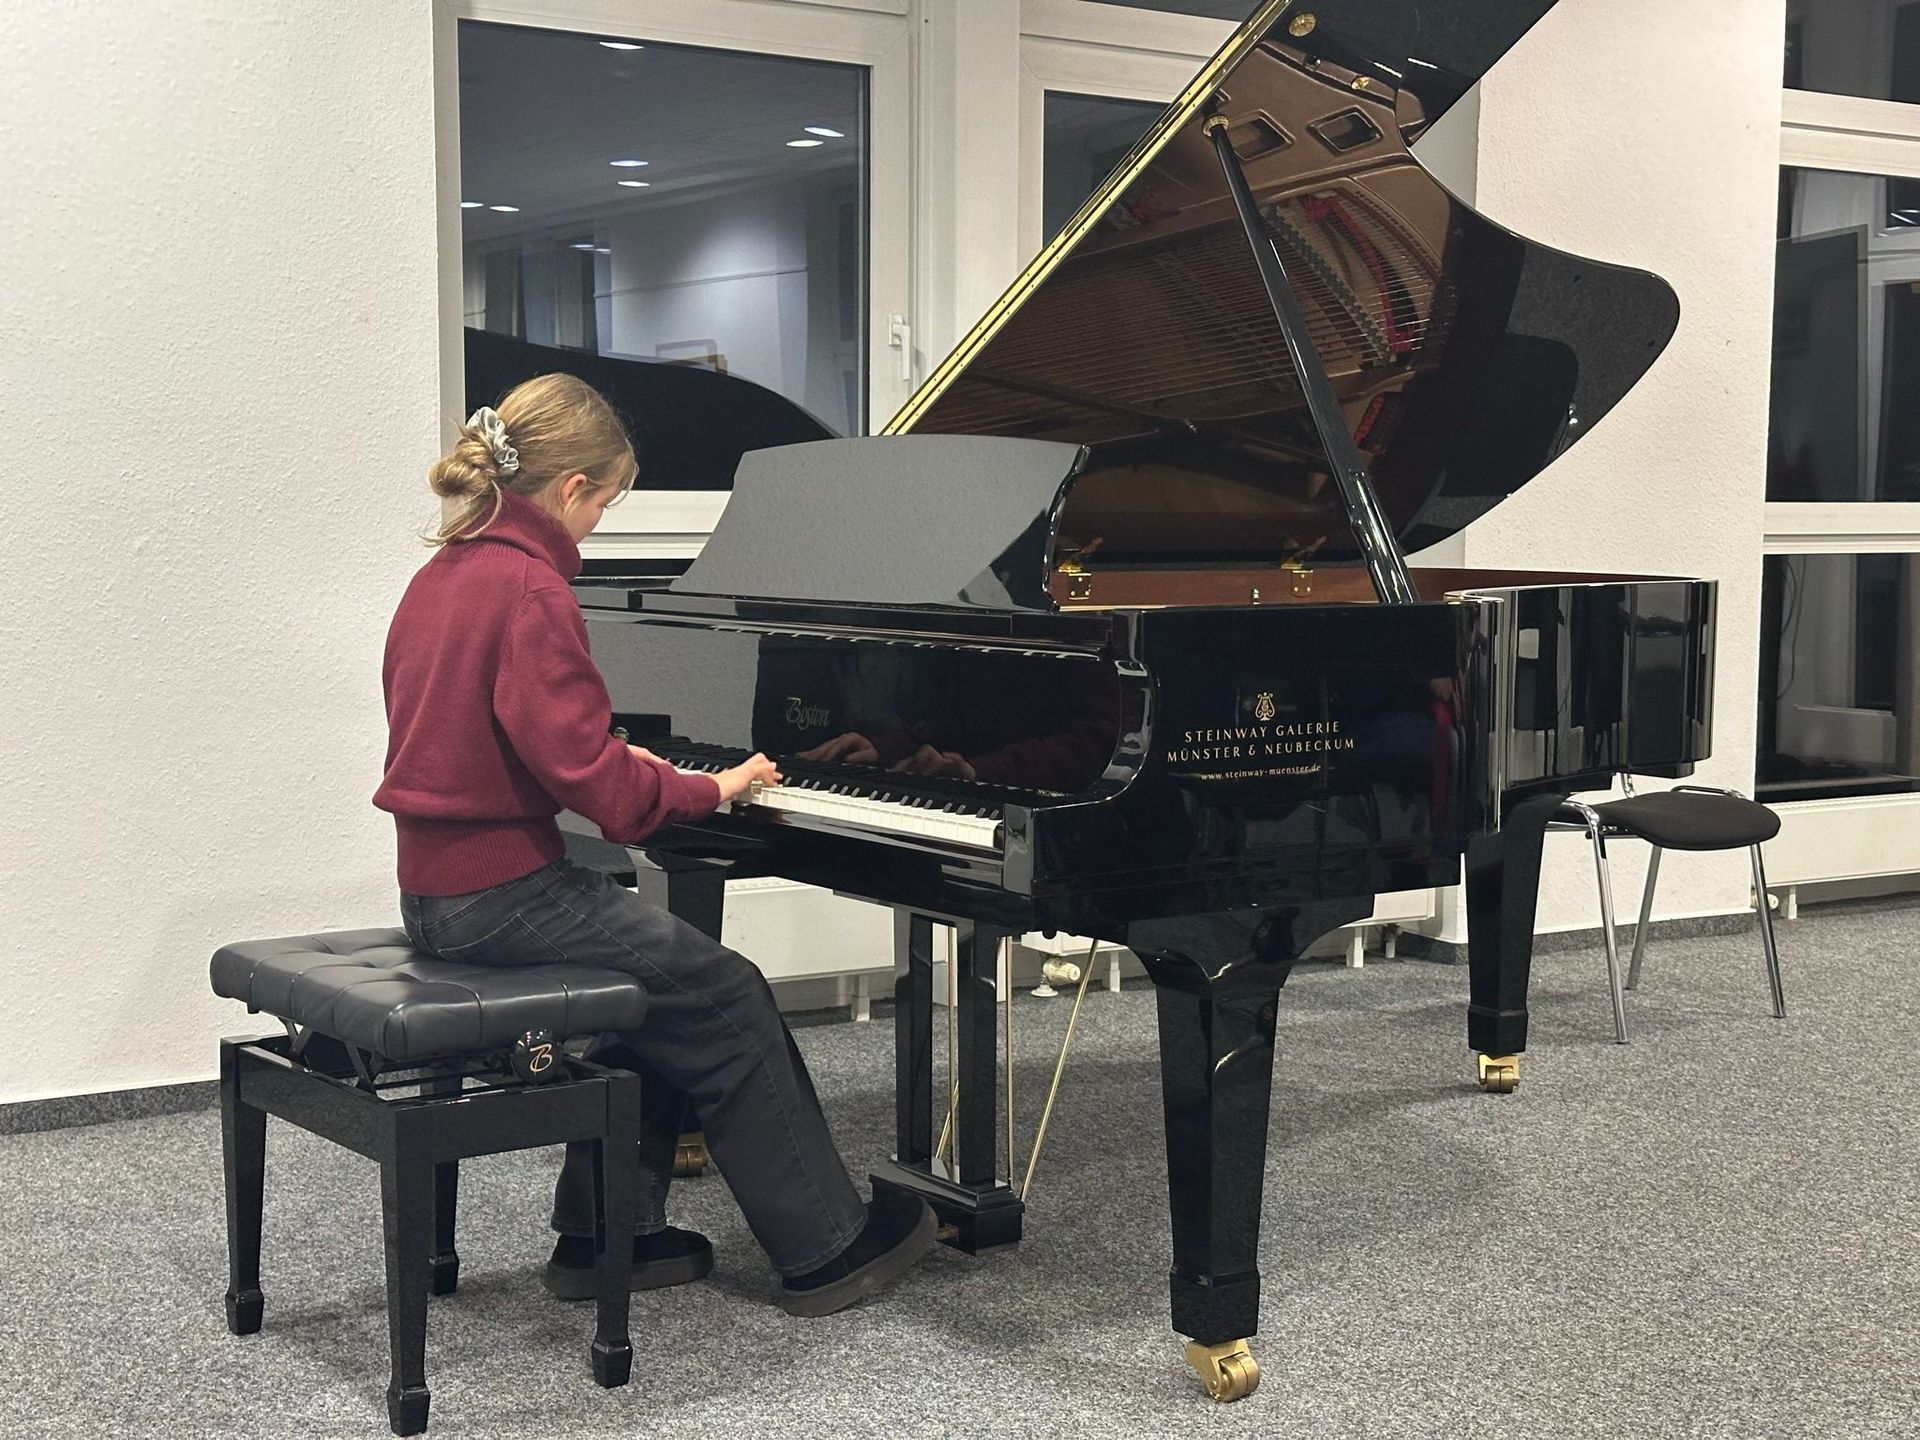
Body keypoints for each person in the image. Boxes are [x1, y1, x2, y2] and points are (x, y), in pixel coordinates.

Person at [373, 373, 935, 1315]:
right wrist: (712, 786)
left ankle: (608, 1238)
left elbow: (492, 739)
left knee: (655, 996)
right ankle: (828, 1247)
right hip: (503, 898)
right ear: (571, 488)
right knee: (727, 993)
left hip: (435, 892)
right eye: (607, 502)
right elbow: (601, 789)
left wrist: (615, 758)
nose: (600, 523)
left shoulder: (446, 572)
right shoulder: (532, 588)